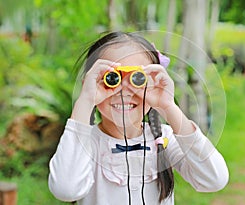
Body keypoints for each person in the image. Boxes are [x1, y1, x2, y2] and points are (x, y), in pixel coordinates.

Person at [48, 31, 229, 205]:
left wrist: (168, 106)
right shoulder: (86, 144)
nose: (125, 92)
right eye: (112, 78)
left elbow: (214, 179)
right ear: (89, 84)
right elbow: (65, 189)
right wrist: (85, 101)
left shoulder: (165, 138)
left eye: (138, 79)